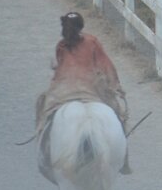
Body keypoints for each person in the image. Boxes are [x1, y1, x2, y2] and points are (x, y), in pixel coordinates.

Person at [36, 12, 131, 173]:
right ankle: (124, 159)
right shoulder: (92, 42)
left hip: (64, 91)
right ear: (81, 27)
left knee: (44, 111)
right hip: (91, 89)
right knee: (118, 115)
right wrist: (116, 86)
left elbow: (59, 72)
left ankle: (44, 152)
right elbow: (106, 65)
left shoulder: (61, 46)